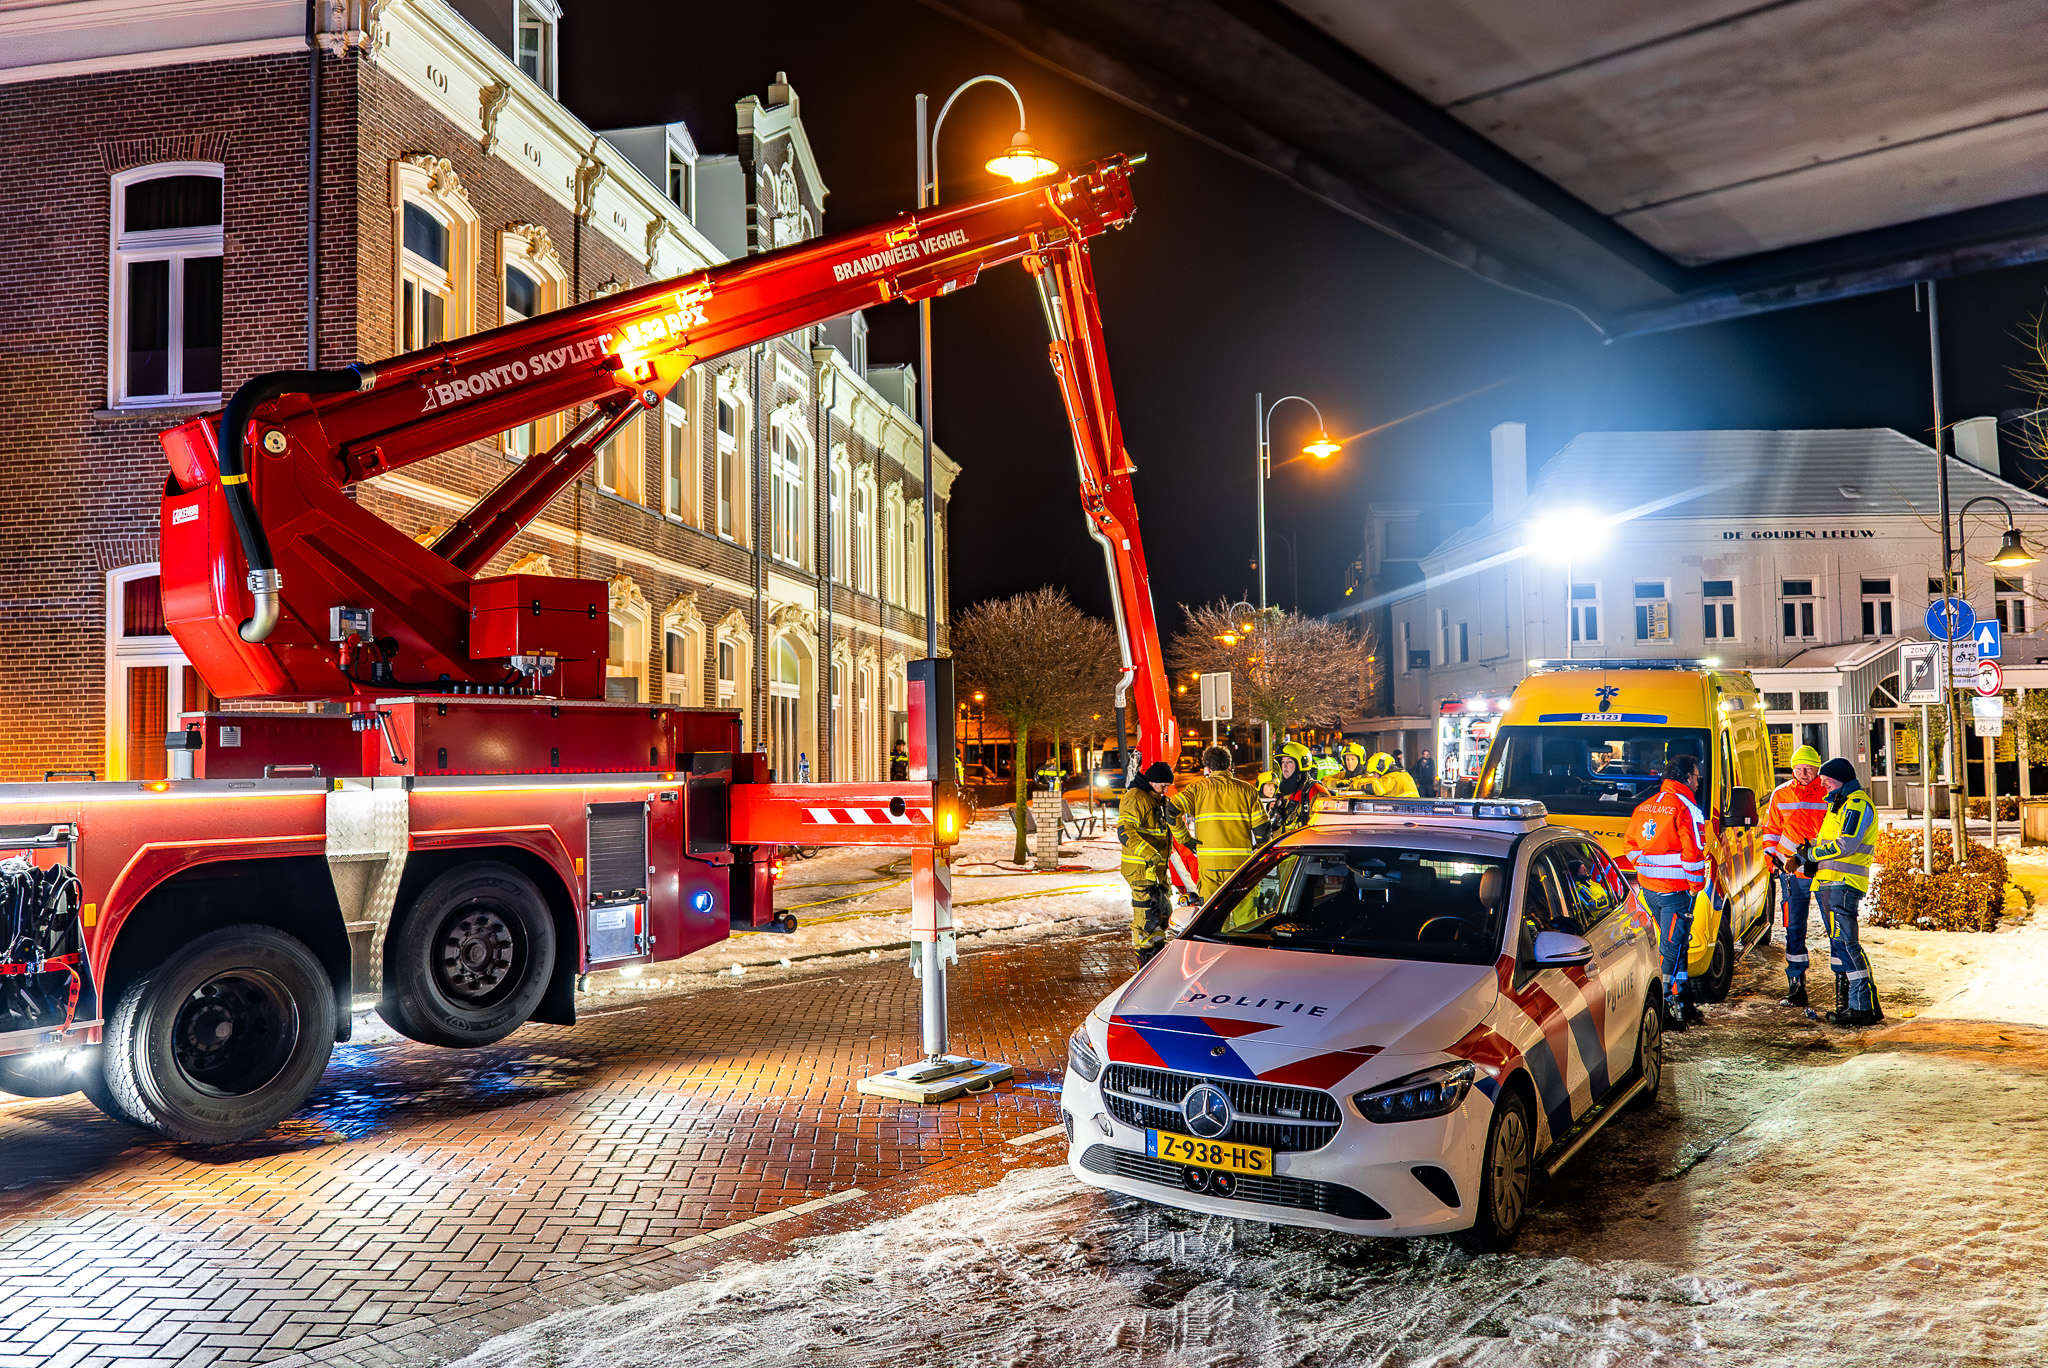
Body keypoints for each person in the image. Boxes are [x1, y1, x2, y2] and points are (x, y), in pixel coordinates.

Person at [1621, 752, 1708, 1030]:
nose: (1698, 781)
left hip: (1650, 891)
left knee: (1677, 946)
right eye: (1696, 775)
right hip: (1675, 892)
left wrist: (1648, 867)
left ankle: (1682, 1002)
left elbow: (1630, 847)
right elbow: (1693, 854)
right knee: (1671, 950)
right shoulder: (1687, 809)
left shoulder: (1646, 806)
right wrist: (1696, 887)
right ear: (1686, 777)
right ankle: (1662, 1008)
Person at [1807, 756, 1883, 1026]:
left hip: (1843, 884)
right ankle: (1864, 1005)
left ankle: (1861, 1007)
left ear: (1840, 779)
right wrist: (1811, 861)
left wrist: (1812, 854)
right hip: (1832, 884)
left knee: (1847, 946)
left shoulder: (1856, 804)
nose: (1823, 785)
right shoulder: (1840, 805)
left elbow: (1846, 844)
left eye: (1827, 781)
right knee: (1843, 946)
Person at [1760, 745, 1830, 1007]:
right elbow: (1770, 832)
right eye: (1798, 767)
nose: (1803, 772)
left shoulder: (1828, 792)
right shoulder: (1780, 794)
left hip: (1823, 871)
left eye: (1808, 768)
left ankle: (1843, 986)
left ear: (1817, 769)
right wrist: (1774, 862)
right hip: (1791, 874)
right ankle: (1796, 986)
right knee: (1794, 929)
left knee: (1833, 927)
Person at [1170, 745, 1270, 899]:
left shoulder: (1197, 790)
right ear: (1230, 766)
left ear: (1208, 768)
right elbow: (1261, 828)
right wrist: (1261, 847)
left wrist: (1185, 839)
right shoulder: (1247, 790)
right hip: (1240, 866)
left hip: (1209, 866)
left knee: (1212, 915)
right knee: (1244, 913)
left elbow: (1171, 809)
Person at [1118, 761, 1179, 964]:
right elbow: (1125, 831)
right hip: (1140, 869)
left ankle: (1157, 952)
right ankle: (1144, 958)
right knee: (1147, 916)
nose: (1166, 789)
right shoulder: (1135, 798)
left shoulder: (1156, 799)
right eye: (1163, 785)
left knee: (1162, 912)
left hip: (1156, 869)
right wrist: (1149, 853)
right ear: (1151, 781)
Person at [1270, 741, 1327, 832]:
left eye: (1289, 761)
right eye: (1283, 761)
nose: (1284, 766)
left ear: (1302, 764)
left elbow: (1322, 831)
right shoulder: (1283, 791)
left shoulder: (1315, 792)